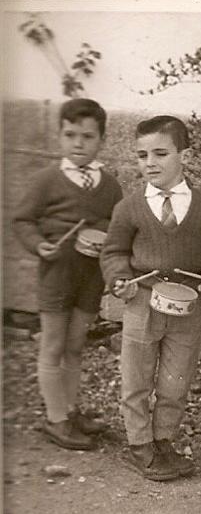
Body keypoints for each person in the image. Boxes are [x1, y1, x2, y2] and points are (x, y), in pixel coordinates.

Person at [100, 115, 201, 481]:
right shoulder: (129, 207)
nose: (150, 163)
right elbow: (113, 252)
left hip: (188, 304)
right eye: (142, 155)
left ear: (184, 156)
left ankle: (163, 440)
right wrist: (120, 279)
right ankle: (139, 444)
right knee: (137, 377)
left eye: (160, 154)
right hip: (142, 303)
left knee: (176, 379)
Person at [14, 98, 123, 451]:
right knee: (53, 345)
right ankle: (55, 419)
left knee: (75, 346)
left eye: (87, 136)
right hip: (57, 274)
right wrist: (38, 245)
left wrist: (106, 234)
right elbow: (23, 220)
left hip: (90, 278)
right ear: (60, 136)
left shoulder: (110, 185)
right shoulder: (47, 180)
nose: (78, 143)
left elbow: (118, 225)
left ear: (101, 140)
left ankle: (70, 410)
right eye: (70, 135)